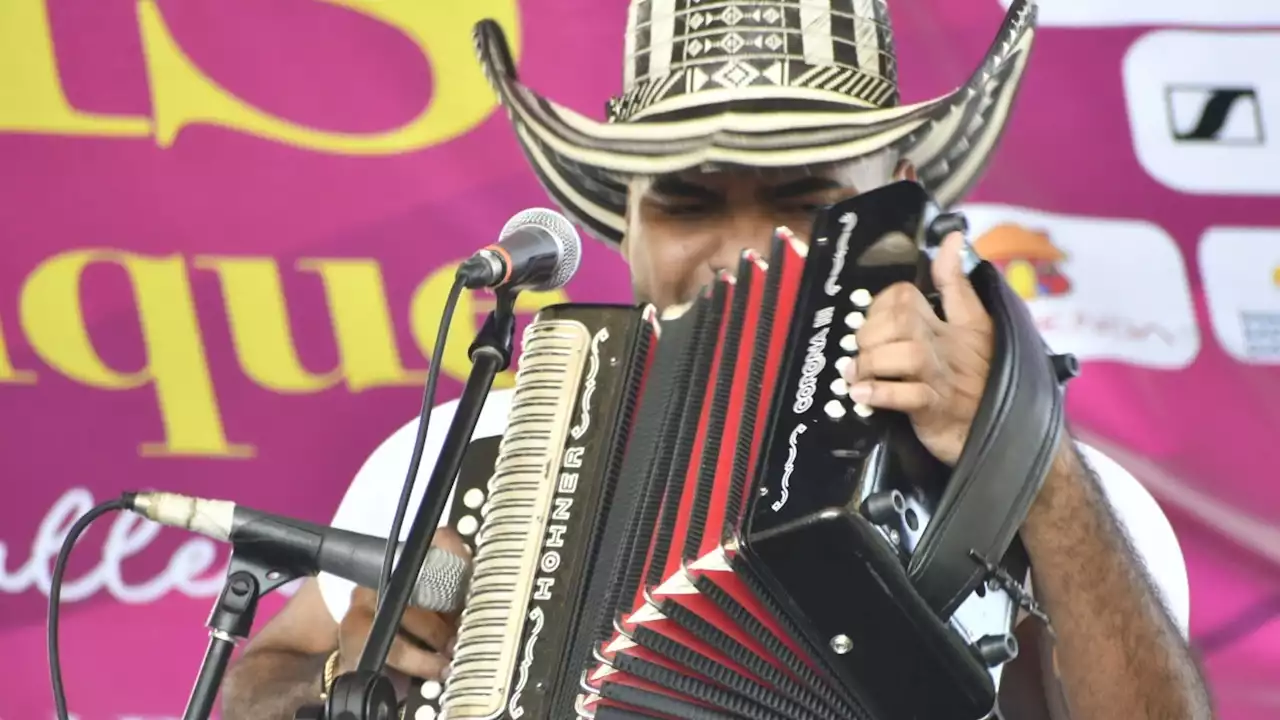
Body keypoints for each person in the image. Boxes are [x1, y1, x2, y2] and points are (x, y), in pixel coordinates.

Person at [222, 1, 1213, 718]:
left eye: (806, 199)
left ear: (900, 197)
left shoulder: (1064, 492)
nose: (744, 249)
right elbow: (258, 680)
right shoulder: (454, 449)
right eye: (689, 203)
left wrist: (1031, 466)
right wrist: (342, 680)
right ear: (626, 223)